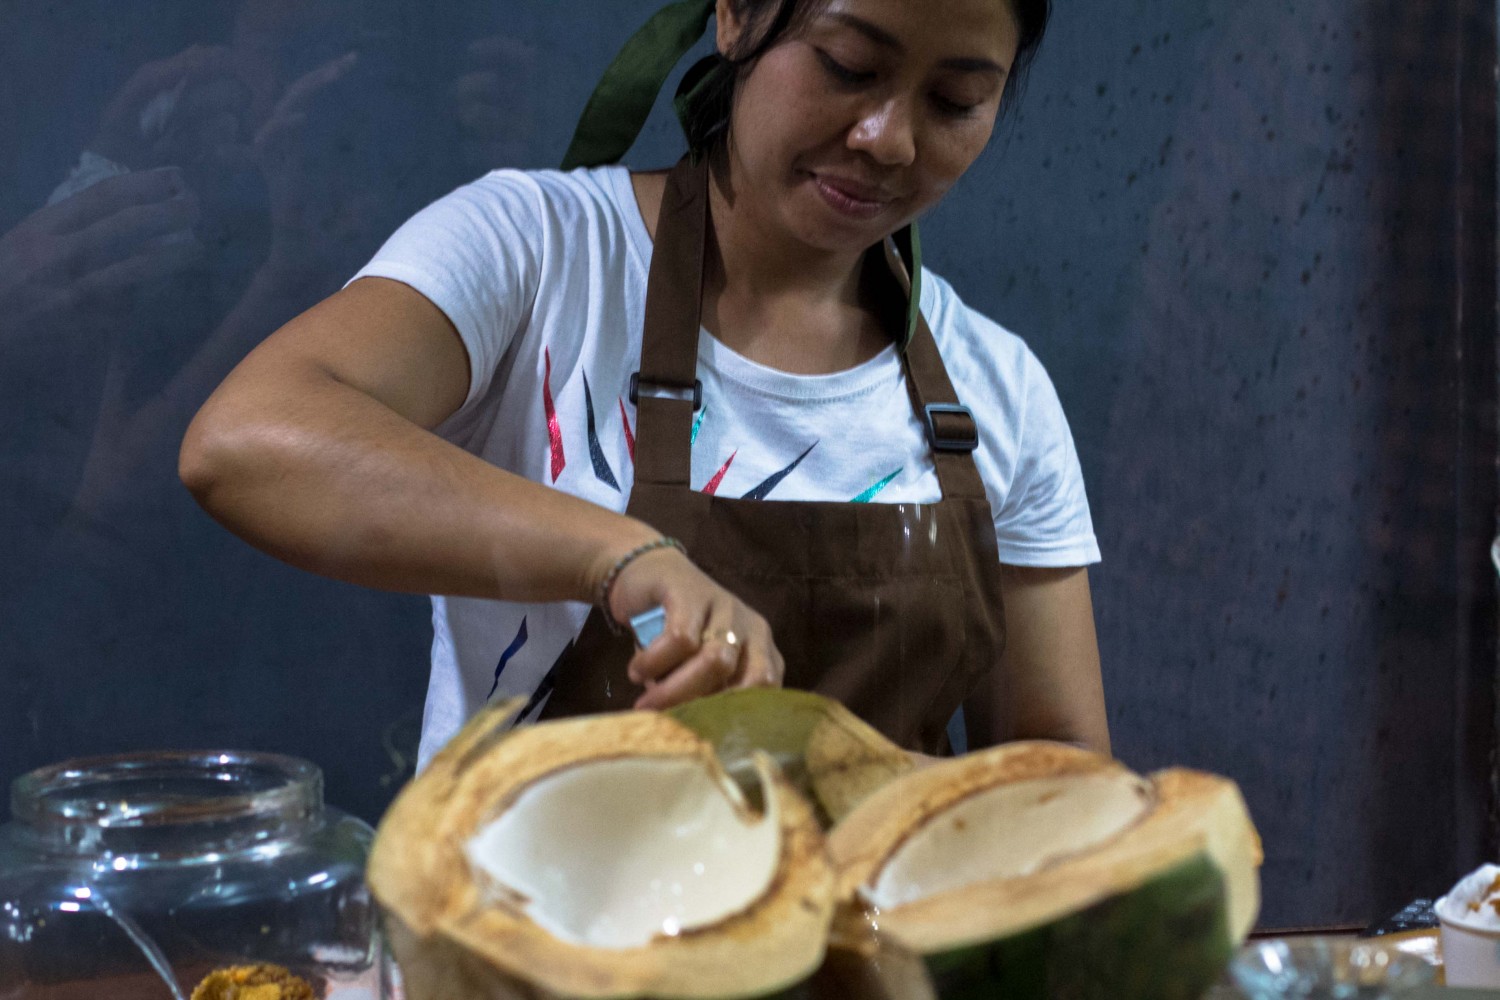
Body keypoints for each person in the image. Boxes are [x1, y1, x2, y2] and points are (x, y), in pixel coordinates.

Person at [180, 0, 1109, 770]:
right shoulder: (540, 252)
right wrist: (624, 556)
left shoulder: (997, 388)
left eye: (953, 101)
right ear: (737, 15)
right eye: (848, 66)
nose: (888, 140)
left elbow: (1057, 766)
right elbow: (246, 443)